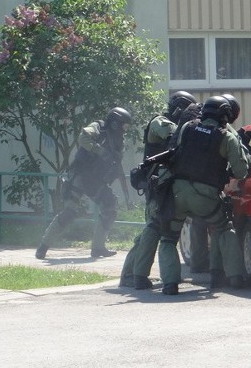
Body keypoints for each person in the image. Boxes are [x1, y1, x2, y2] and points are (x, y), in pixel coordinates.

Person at [156, 96, 251, 295]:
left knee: (168, 238)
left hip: (178, 192)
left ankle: (170, 284)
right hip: (206, 196)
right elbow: (241, 171)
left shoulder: (187, 128)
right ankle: (234, 277)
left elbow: (177, 152)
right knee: (224, 228)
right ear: (225, 114)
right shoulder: (227, 136)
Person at [119, 91, 196, 289]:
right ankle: (130, 274)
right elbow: (174, 137)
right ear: (179, 108)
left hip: (165, 184)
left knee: (154, 229)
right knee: (152, 229)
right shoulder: (160, 122)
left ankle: (134, 273)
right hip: (155, 184)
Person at [36, 107, 132, 260]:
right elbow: (83, 138)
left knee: (109, 207)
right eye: (124, 126)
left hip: (95, 180)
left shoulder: (119, 140)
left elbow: (117, 160)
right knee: (70, 212)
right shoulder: (98, 127)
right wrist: (100, 151)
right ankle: (43, 247)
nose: (125, 130)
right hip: (79, 175)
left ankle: (98, 248)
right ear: (115, 123)